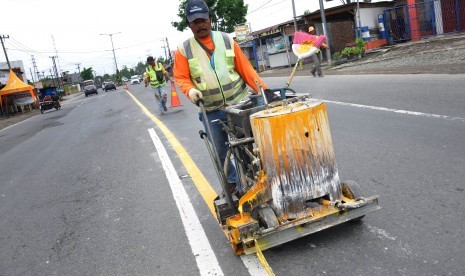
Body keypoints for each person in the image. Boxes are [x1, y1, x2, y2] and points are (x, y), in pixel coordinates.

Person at [173, 0, 268, 195]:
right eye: (195, 22)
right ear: (189, 24)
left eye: (203, 20)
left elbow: (246, 70)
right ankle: (233, 182)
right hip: (211, 109)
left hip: (239, 104)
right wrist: (191, 91)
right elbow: (181, 78)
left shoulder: (226, 40)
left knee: (247, 147)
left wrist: (265, 92)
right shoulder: (184, 50)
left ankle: (256, 179)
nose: (200, 25)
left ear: (210, 19)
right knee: (220, 151)